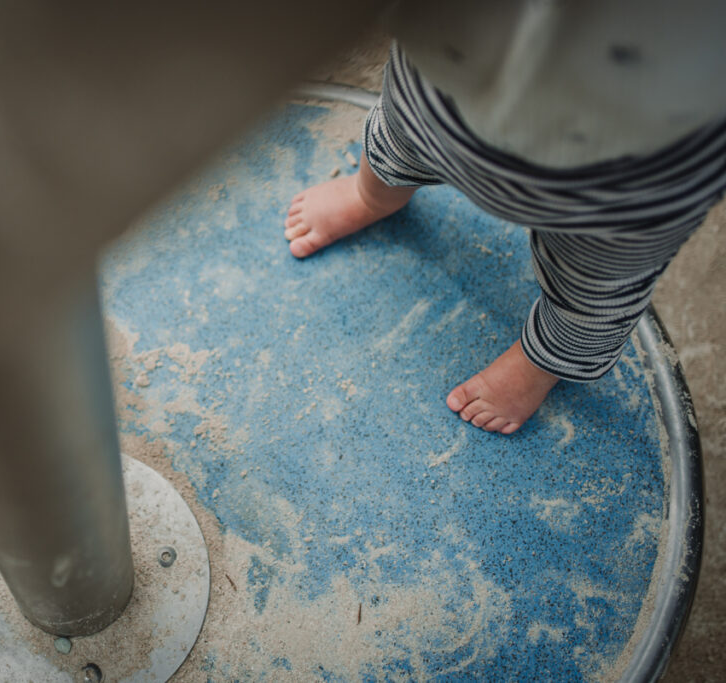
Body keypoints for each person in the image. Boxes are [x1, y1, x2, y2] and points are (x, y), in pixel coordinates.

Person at [285, 11, 726, 434]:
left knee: (595, 293)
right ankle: (372, 193)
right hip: (448, 77)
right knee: (402, 133)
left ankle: (539, 363)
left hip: (626, 176)